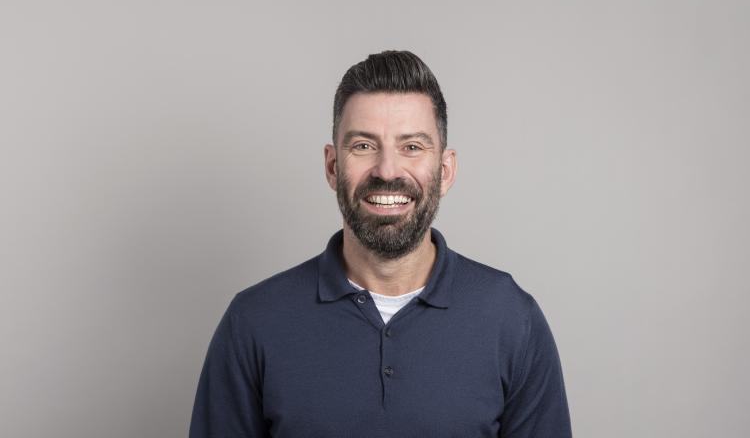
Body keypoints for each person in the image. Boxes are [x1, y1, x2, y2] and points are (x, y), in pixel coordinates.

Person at [189, 50, 572, 437]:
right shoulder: (254, 321)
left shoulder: (511, 319)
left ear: (444, 171)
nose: (387, 170)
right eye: (363, 146)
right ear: (333, 166)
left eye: (412, 147)